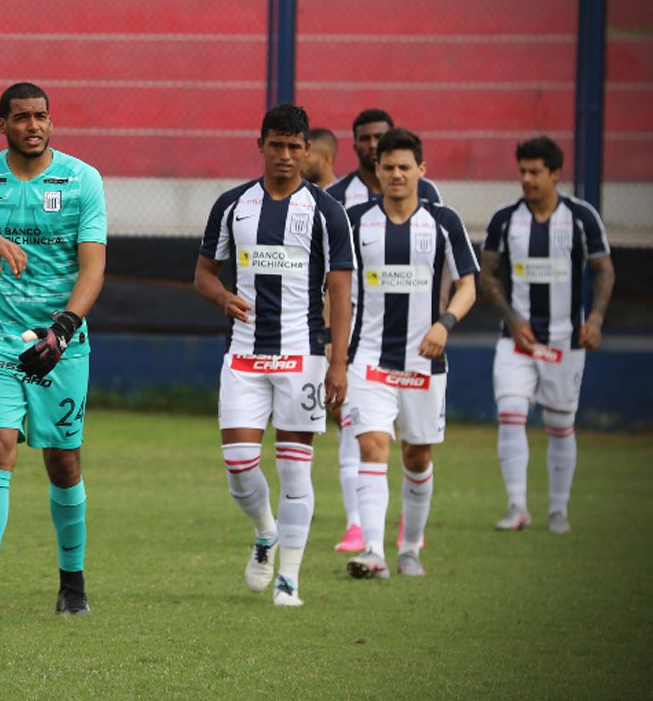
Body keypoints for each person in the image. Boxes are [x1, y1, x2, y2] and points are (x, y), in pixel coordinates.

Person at [0, 82, 106, 620]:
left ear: (51, 122)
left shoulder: (83, 181)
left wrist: (62, 329)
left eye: (41, 117)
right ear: (2, 125)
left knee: (63, 463)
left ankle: (73, 585)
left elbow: (93, 267)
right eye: (21, 118)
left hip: (63, 345)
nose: (33, 126)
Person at [193, 103, 353, 607]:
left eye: (294, 146)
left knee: (294, 469)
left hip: (302, 355)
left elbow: (342, 291)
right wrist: (223, 297)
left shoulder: (326, 212)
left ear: (307, 150)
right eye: (276, 145)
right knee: (239, 467)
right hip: (243, 356)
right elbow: (203, 274)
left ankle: (290, 579)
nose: (285, 155)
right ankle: (266, 532)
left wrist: (339, 362)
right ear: (259, 144)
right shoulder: (233, 205)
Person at [342, 129, 478, 580]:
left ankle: (411, 548)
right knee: (372, 444)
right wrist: (333, 345)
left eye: (405, 166)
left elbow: (468, 286)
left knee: (417, 457)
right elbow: (335, 287)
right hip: (369, 358)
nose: (396, 174)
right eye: (388, 167)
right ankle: (375, 553)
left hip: (425, 362)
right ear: (376, 171)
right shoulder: (355, 221)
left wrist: (445, 324)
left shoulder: (443, 222)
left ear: (422, 170)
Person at [480, 136, 614, 534]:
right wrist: (512, 318)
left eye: (535, 172)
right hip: (516, 341)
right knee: (510, 415)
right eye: (522, 171)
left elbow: (604, 269)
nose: (526, 179)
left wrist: (597, 319)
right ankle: (517, 506)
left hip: (565, 341)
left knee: (560, 425)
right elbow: (487, 275)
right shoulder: (506, 220)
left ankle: (558, 510)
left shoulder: (580, 217)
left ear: (555, 173)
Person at [326, 108, 444, 554]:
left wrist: (443, 319)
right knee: (361, 435)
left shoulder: (431, 201)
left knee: (416, 453)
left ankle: (407, 536)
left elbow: (445, 267)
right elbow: (334, 277)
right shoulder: (342, 201)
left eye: (382, 139)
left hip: (419, 352)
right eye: (366, 139)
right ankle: (360, 529)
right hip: (362, 346)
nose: (374, 146)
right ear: (357, 146)